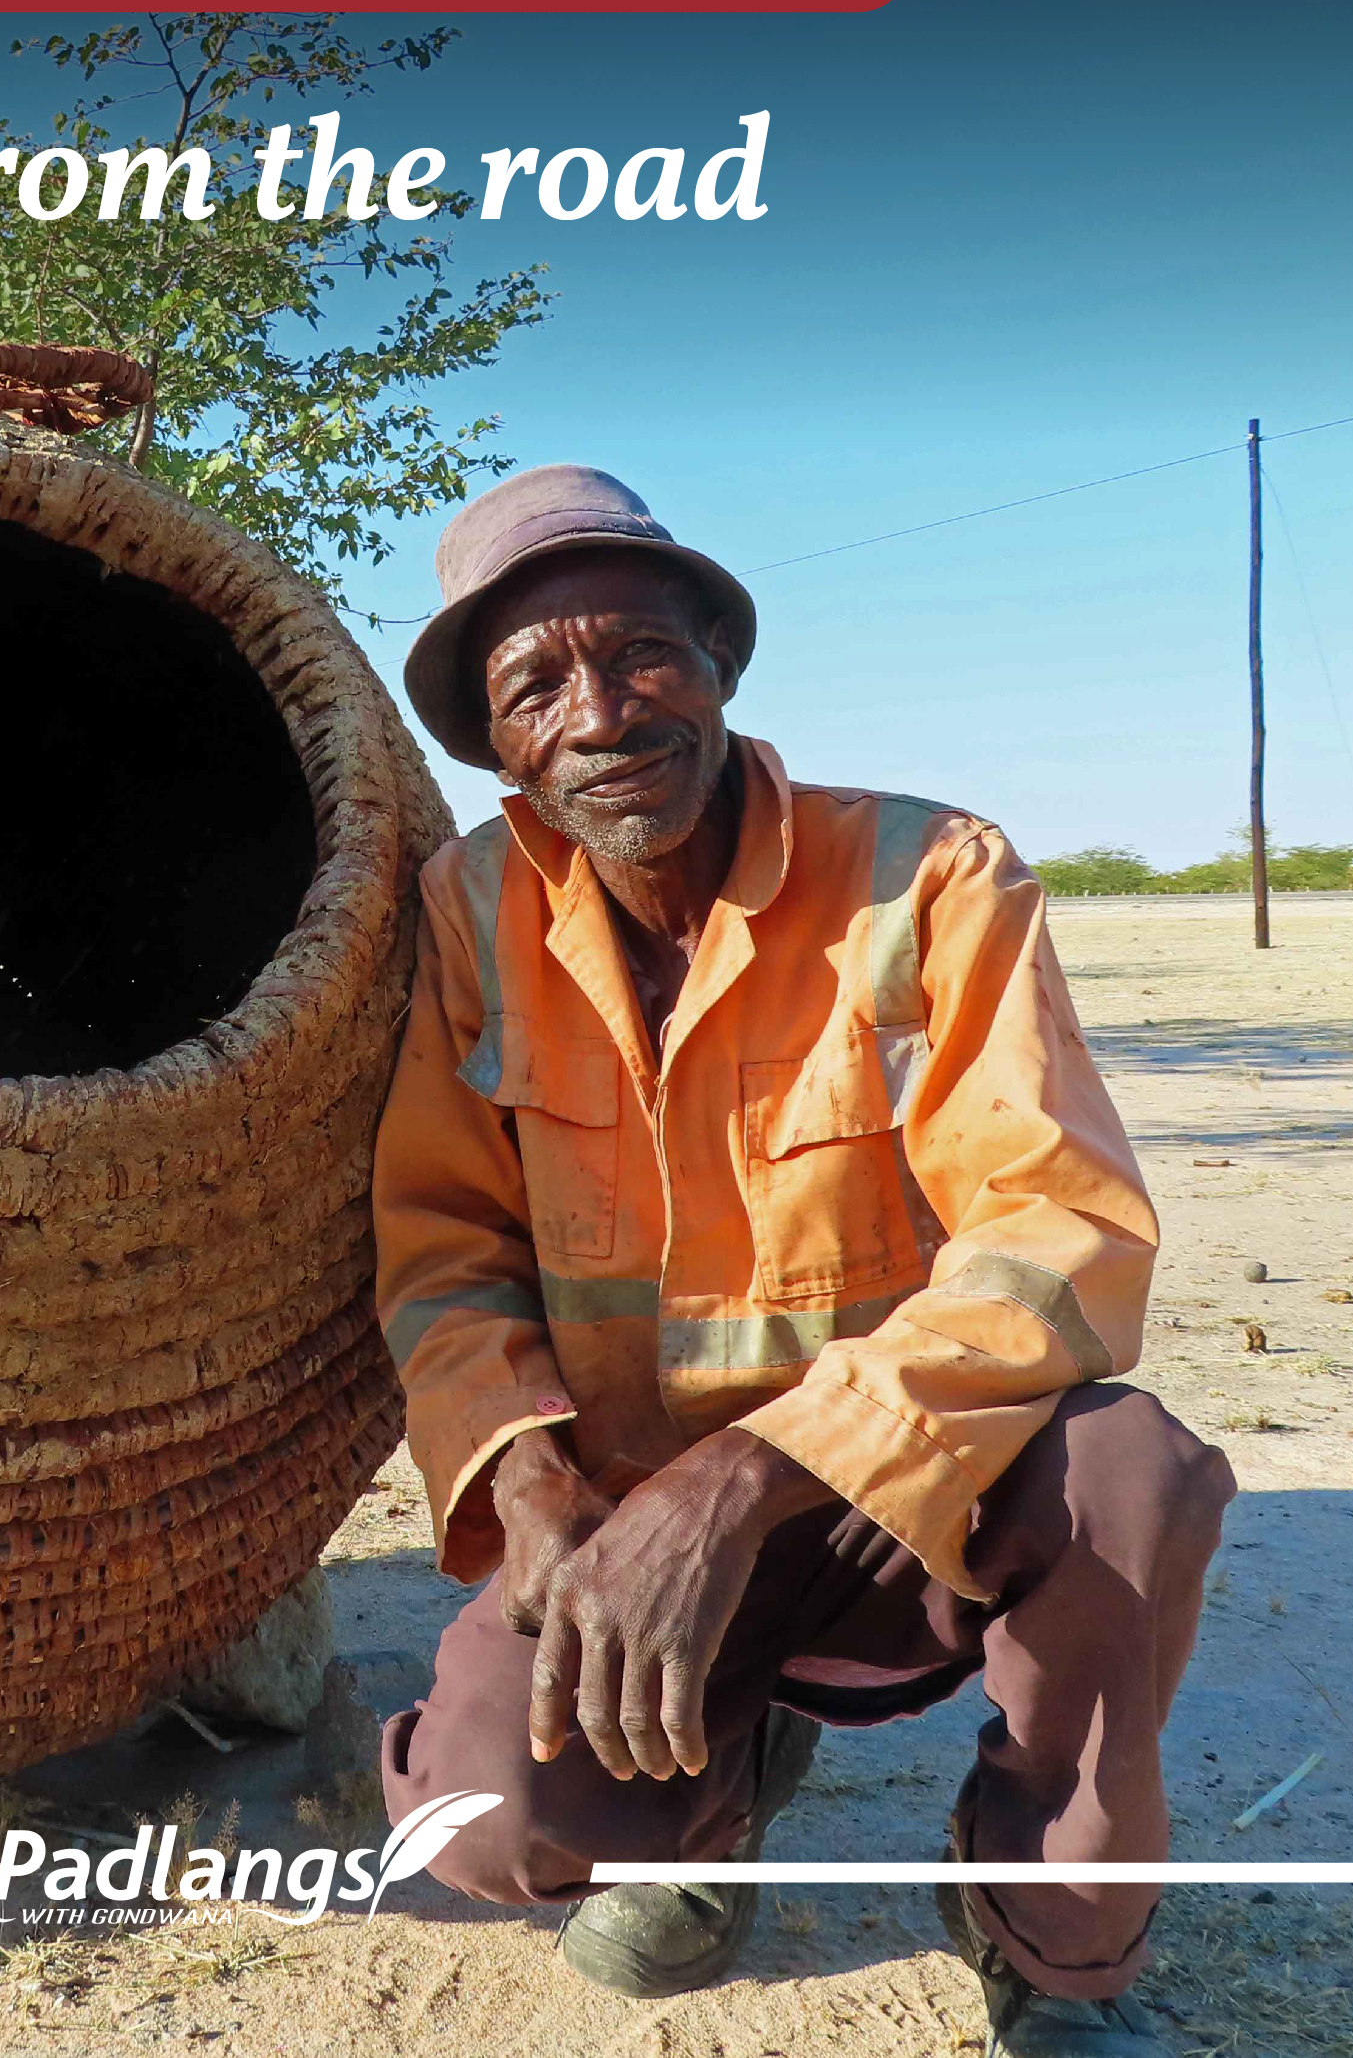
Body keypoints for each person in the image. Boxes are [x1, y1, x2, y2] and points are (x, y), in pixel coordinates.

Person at [370, 465, 1237, 2056]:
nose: (600, 713)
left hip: (910, 1488)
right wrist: (537, 1484)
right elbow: (441, 1243)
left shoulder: (926, 874)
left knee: (1137, 1479)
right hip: (625, 1505)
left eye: (640, 654)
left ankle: (1049, 1948)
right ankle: (711, 1787)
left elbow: (1056, 1230)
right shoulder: (466, 906)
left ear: (718, 665)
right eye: (534, 685)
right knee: (490, 1827)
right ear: (492, 742)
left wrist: (748, 1475)